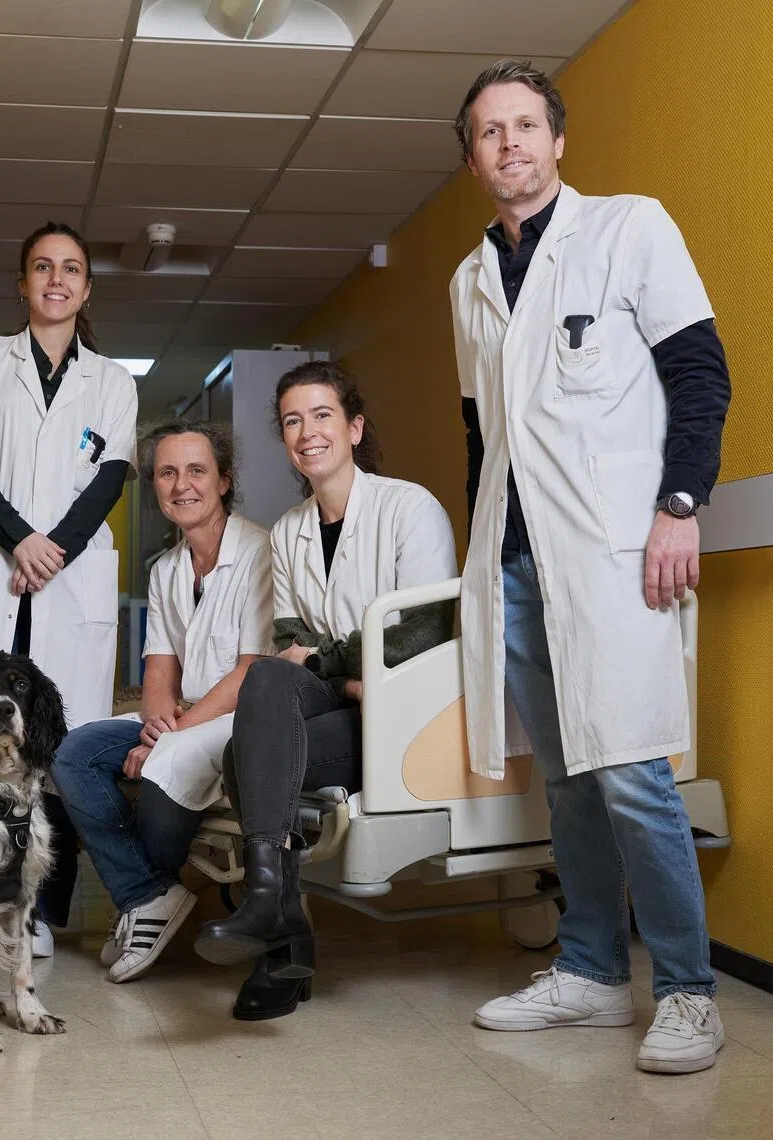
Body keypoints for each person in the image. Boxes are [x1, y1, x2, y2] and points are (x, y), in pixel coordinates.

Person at [449, 60, 731, 1074]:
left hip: (618, 553)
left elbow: (700, 372)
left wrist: (680, 506)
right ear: (474, 158)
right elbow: (486, 439)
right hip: (519, 563)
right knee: (565, 780)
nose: (511, 143)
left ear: (558, 142)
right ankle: (593, 974)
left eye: (526, 125)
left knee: (633, 770)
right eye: (490, 132)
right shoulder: (467, 281)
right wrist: (483, 562)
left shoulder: (629, 229)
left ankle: (690, 993)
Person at [194, 362, 458, 1019]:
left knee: (244, 757)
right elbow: (289, 642)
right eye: (291, 420)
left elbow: (418, 638)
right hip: (345, 702)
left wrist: (329, 660)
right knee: (268, 677)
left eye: (321, 415)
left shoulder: (408, 509)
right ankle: (271, 913)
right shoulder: (288, 531)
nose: (307, 431)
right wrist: (345, 672)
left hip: (403, 719)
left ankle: (279, 940)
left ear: (353, 426)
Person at [0, 221, 138, 957]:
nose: (56, 279)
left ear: (85, 287)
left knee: (57, 751)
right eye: (42, 267)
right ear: (22, 284)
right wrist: (21, 541)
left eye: (71, 268)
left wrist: (49, 552)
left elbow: (106, 481)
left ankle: (40, 913)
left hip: (65, 584)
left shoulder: (112, 382)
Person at [50, 421, 274, 984]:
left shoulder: (261, 553)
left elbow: (250, 672)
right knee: (75, 754)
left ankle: (141, 901)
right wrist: (156, 727)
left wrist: (166, 742)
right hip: (184, 718)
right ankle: (147, 896)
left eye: (196, 471)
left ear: (224, 480)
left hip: (239, 720)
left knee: (165, 768)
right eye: (167, 473)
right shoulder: (166, 569)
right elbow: (159, 671)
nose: (181, 485)